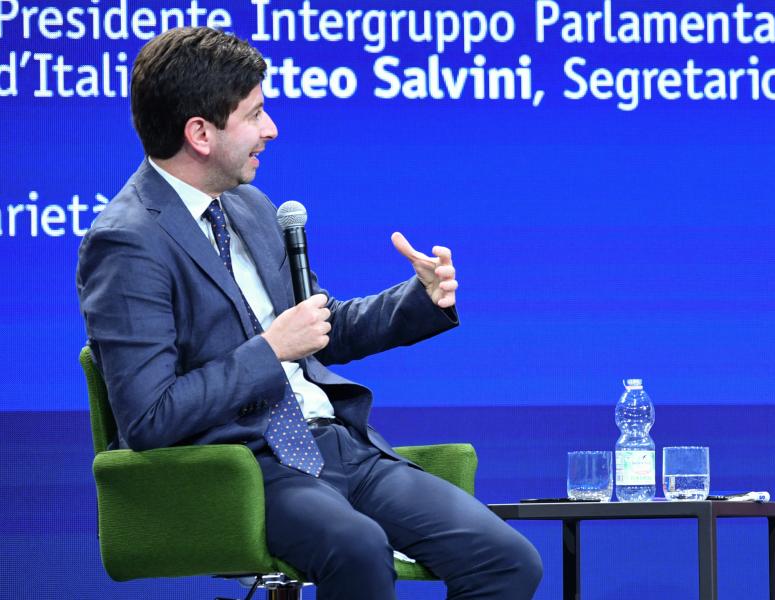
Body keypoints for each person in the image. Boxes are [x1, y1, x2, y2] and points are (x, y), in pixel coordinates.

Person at [76, 27, 541, 600]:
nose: (271, 129)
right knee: (359, 548)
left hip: (336, 443)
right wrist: (270, 351)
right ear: (200, 133)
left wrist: (418, 299)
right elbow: (149, 416)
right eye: (255, 114)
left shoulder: (249, 206)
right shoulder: (127, 241)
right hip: (243, 465)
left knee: (506, 560)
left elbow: (320, 329)